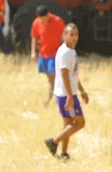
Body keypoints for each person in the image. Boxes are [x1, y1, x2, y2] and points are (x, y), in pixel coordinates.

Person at [44, 24, 88, 161]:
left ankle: (63, 154)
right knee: (80, 123)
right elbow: (64, 75)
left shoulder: (71, 51)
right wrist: (70, 96)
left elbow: (73, 75)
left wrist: (82, 90)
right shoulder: (65, 53)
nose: (74, 37)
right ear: (64, 35)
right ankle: (54, 142)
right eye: (71, 34)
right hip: (65, 94)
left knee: (68, 124)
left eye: (76, 34)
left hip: (67, 93)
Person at [31, 5, 65, 105]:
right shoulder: (36, 22)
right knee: (50, 79)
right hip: (43, 55)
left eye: (44, 18)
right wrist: (33, 52)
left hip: (55, 54)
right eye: (41, 19)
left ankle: (53, 99)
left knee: (53, 76)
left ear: (48, 14)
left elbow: (64, 37)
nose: (43, 21)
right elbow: (34, 37)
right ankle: (53, 98)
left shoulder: (58, 21)